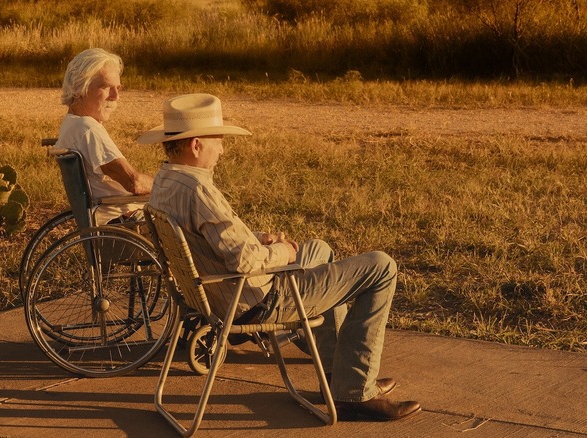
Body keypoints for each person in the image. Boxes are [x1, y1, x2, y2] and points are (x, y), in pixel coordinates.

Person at [139, 93, 421, 421]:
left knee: (318, 249)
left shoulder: (166, 181)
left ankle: (338, 379)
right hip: (256, 299)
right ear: (196, 145)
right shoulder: (199, 191)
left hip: (215, 295)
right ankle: (355, 392)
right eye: (219, 141)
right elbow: (244, 262)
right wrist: (281, 251)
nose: (223, 150)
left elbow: (209, 238)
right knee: (381, 266)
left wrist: (259, 238)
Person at [54, 47, 153, 225]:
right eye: (106, 87)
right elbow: (134, 183)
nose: (116, 96)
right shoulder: (88, 128)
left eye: (118, 88)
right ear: (80, 87)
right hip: (123, 221)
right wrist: (169, 186)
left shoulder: (71, 124)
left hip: (110, 219)